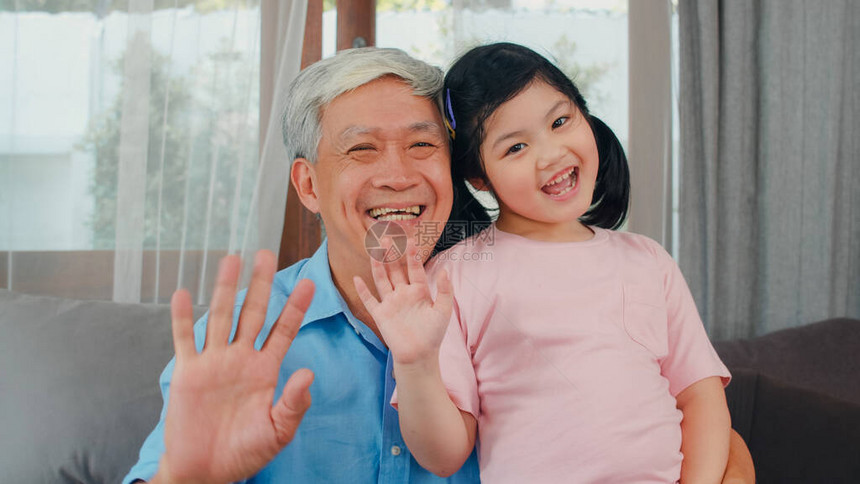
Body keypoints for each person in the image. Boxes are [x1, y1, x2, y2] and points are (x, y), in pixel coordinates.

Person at [125, 46, 753, 484]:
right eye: (362, 149)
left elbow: (675, 416)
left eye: (423, 145)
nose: (398, 176)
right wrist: (185, 478)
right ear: (309, 185)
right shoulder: (241, 340)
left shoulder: (507, 287)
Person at [354, 42, 733, 483]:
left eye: (560, 121)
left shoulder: (648, 260)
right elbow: (444, 456)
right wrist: (416, 366)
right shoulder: (455, 274)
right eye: (515, 148)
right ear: (478, 177)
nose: (551, 154)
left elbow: (700, 395)